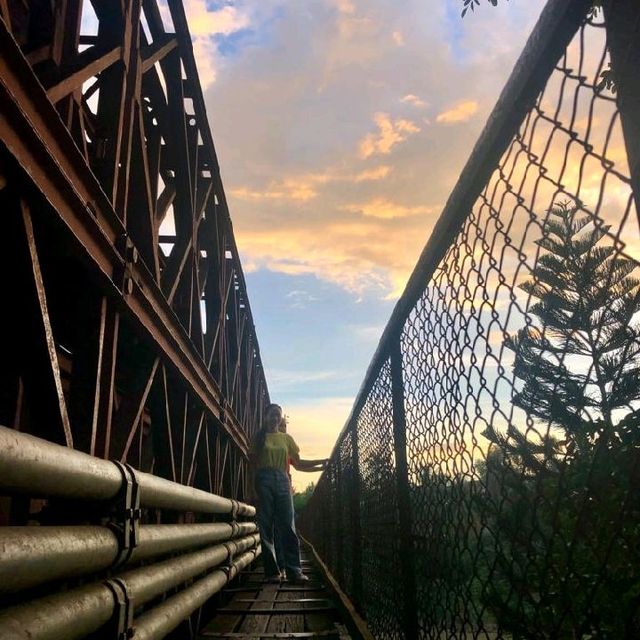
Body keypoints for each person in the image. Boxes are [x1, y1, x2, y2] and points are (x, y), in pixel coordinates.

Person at [249, 403, 328, 583]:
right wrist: (253, 489)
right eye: (272, 414)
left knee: (288, 525)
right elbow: (252, 466)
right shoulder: (258, 438)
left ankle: (295, 571)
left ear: (281, 418)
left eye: (278, 415)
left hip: (283, 481)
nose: (275, 418)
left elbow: (298, 464)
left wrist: (320, 463)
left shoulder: (286, 439)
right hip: (263, 480)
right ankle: (273, 572)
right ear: (265, 416)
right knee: (266, 527)